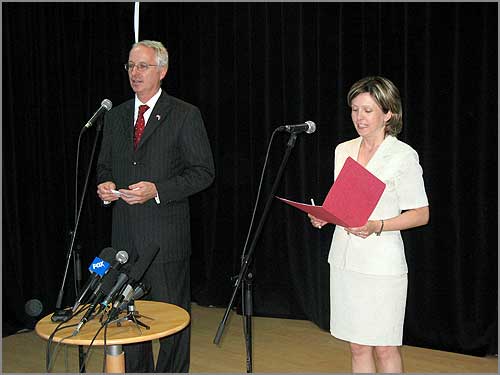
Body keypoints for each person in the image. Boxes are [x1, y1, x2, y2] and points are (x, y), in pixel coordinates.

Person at [96, 40, 215, 372]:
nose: (135, 72)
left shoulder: (184, 114)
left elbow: (203, 172)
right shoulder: (116, 116)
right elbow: (105, 165)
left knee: (171, 321)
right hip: (124, 238)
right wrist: (104, 184)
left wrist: (157, 189)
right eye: (131, 66)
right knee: (129, 318)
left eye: (142, 66)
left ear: (162, 71)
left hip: (165, 239)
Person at [308, 76, 429, 373]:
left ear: (388, 113)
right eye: (354, 110)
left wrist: (378, 225)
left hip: (382, 265)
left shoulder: (402, 156)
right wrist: (325, 215)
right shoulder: (343, 149)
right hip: (345, 260)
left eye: (368, 110)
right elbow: (343, 203)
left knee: (385, 347)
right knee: (358, 346)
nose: (359, 118)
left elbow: (421, 213)